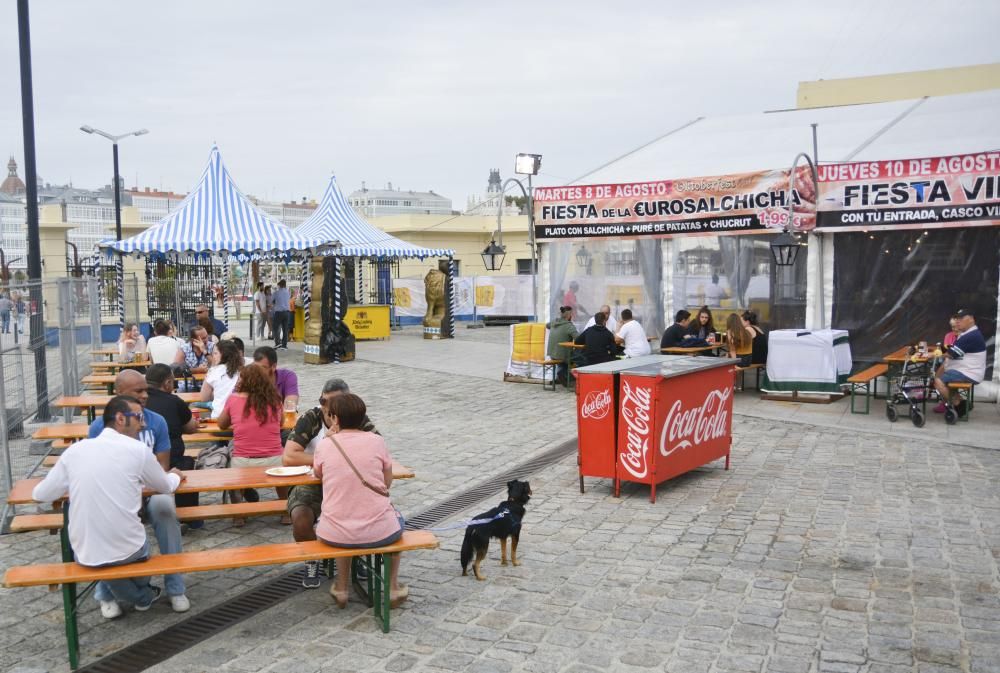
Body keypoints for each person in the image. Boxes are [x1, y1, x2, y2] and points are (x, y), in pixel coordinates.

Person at [33, 395, 187, 619]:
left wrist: (72, 483)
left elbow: (41, 494)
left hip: (83, 552)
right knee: (135, 556)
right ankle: (143, 596)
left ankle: (119, 596)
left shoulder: (75, 451)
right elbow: (164, 486)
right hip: (130, 551)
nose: (142, 423)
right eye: (138, 417)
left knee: (108, 556)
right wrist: (174, 475)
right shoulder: (138, 450)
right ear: (120, 418)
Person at [86, 371, 189, 612]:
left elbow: (162, 467)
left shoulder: (157, 421)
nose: (145, 395)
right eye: (138, 391)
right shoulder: (98, 427)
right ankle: (105, 594)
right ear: (119, 394)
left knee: (165, 508)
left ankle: (175, 586)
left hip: (150, 492)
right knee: (102, 516)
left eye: (146, 390)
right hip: (117, 496)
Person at [313, 393, 407, 609]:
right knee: (398, 520)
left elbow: (318, 475)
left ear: (335, 418)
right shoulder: (377, 441)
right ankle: (392, 588)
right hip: (379, 531)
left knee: (342, 518)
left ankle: (342, 587)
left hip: (334, 531)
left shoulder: (326, 445)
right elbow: (387, 482)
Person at [283, 378, 378, 587]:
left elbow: (377, 451)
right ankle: (312, 558)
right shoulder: (312, 417)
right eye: (323, 401)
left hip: (348, 482)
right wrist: (327, 458)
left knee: (367, 512)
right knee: (300, 518)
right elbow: (289, 457)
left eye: (333, 403)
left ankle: (357, 555)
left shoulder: (355, 418)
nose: (326, 407)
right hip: (313, 481)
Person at [217, 364, 289, 525]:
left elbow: (221, 424)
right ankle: (286, 512)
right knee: (281, 466)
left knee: (233, 465)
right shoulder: (275, 399)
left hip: (244, 460)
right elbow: (281, 423)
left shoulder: (234, 399)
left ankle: (239, 515)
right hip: (274, 459)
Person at [145, 364, 201, 518]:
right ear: (167, 383)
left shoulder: (139, 402)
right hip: (171, 459)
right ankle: (189, 517)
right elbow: (191, 428)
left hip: (143, 461)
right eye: (173, 381)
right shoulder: (174, 401)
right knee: (187, 464)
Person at [933, 308, 987, 415]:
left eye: (961, 318)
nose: (958, 321)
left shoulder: (970, 335)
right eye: (957, 319)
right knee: (942, 372)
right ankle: (960, 402)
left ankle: (960, 406)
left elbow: (950, 354)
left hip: (969, 373)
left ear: (971, 319)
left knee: (937, 381)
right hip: (968, 371)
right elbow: (952, 351)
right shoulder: (969, 333)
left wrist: (930, 354)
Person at [201, 340, 243, 418]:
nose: (213, 356)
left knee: (193, 405)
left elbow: (204, 398)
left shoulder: (214, 371)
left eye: (215, 353)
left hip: (219, 417)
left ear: (223, 355)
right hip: (238, 417)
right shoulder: (242, 371)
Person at [546, 306, 579, 386]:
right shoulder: (569, 326)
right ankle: (566, 376)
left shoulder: (554, 322)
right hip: (562, 356)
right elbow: (578, 338)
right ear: (569, 316)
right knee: (580, 357)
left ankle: (560, 376)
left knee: (563, 356)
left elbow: (547, 325)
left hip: (551, 354)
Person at [272, 280, 291, 349]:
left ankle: (277, 343)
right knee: (285, 329)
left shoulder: (276, 292)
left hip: (279, 312)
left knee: (275, 327)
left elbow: (272, 300)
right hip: (287, 312)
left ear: (279, 285)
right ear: (285, 285)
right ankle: (284, 345)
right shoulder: (288, 292)